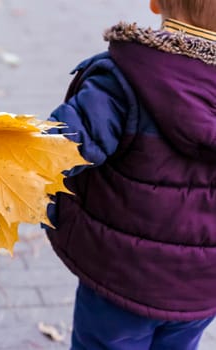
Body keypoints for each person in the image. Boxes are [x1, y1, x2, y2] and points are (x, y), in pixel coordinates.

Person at [45, 0, 216, 349]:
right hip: (203, 284)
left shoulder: (125, 78)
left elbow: (60, 151)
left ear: (156, 3)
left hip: (122, 277)